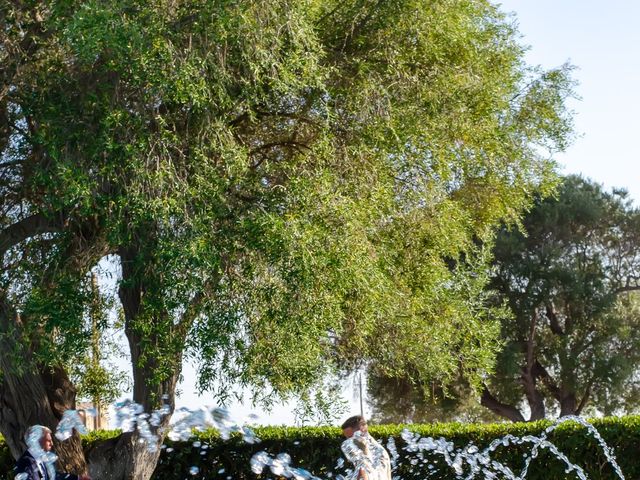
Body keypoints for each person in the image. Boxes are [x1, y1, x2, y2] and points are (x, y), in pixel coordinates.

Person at [15, 425, 92, 480]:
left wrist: (78, 478)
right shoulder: (25, 463)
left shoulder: (39, 458)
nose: (52, 443)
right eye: (48, 440)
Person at [340, 415, 391, 480]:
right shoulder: (379, 450)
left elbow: (363, 475)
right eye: (347, 438)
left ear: (362, 431)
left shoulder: (365, 451)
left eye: (350, 437)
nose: (348, 442)